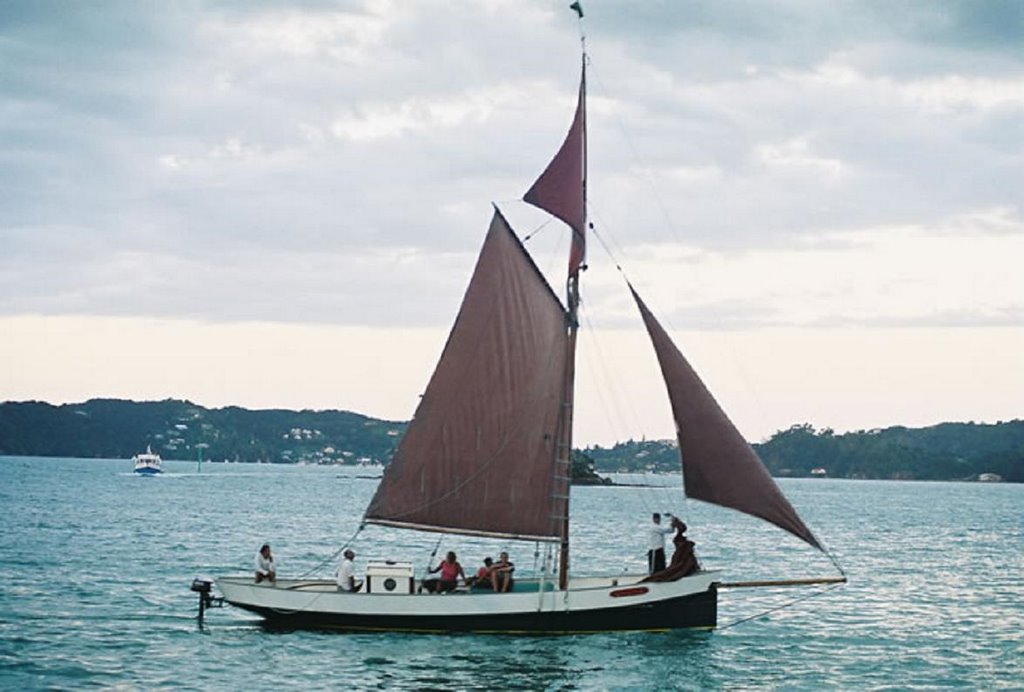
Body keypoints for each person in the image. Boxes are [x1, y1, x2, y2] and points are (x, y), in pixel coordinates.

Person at [643, 517, 699, 583]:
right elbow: (667, 530)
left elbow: (670, 530)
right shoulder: (654, 527)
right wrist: (672, 524)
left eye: (658, 519)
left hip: (660, 550)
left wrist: (673, 524)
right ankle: (654, 579)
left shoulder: (658, 527)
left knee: (661, 566)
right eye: (657, 519)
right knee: (655, 567)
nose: (658, 520)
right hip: (654, 550)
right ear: (654, 519)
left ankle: (660, 578)